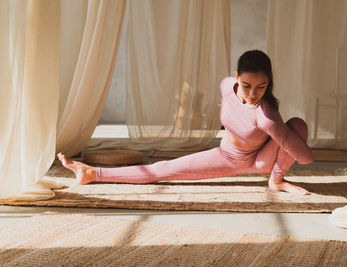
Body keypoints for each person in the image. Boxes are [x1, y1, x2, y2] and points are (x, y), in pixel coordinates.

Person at [58, 50, 314, 195]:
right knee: (163, 169)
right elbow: (233, 98)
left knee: (298, 125)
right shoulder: (227, 86)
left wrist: (279, 133)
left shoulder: (266, 116)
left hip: (258, 160)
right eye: (246, 85)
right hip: (226, 152)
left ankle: (276, 181)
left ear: (269, 82)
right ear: (236, 77)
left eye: (262, 86)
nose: (252, 93)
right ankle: (92, 173)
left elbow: (305, 158)